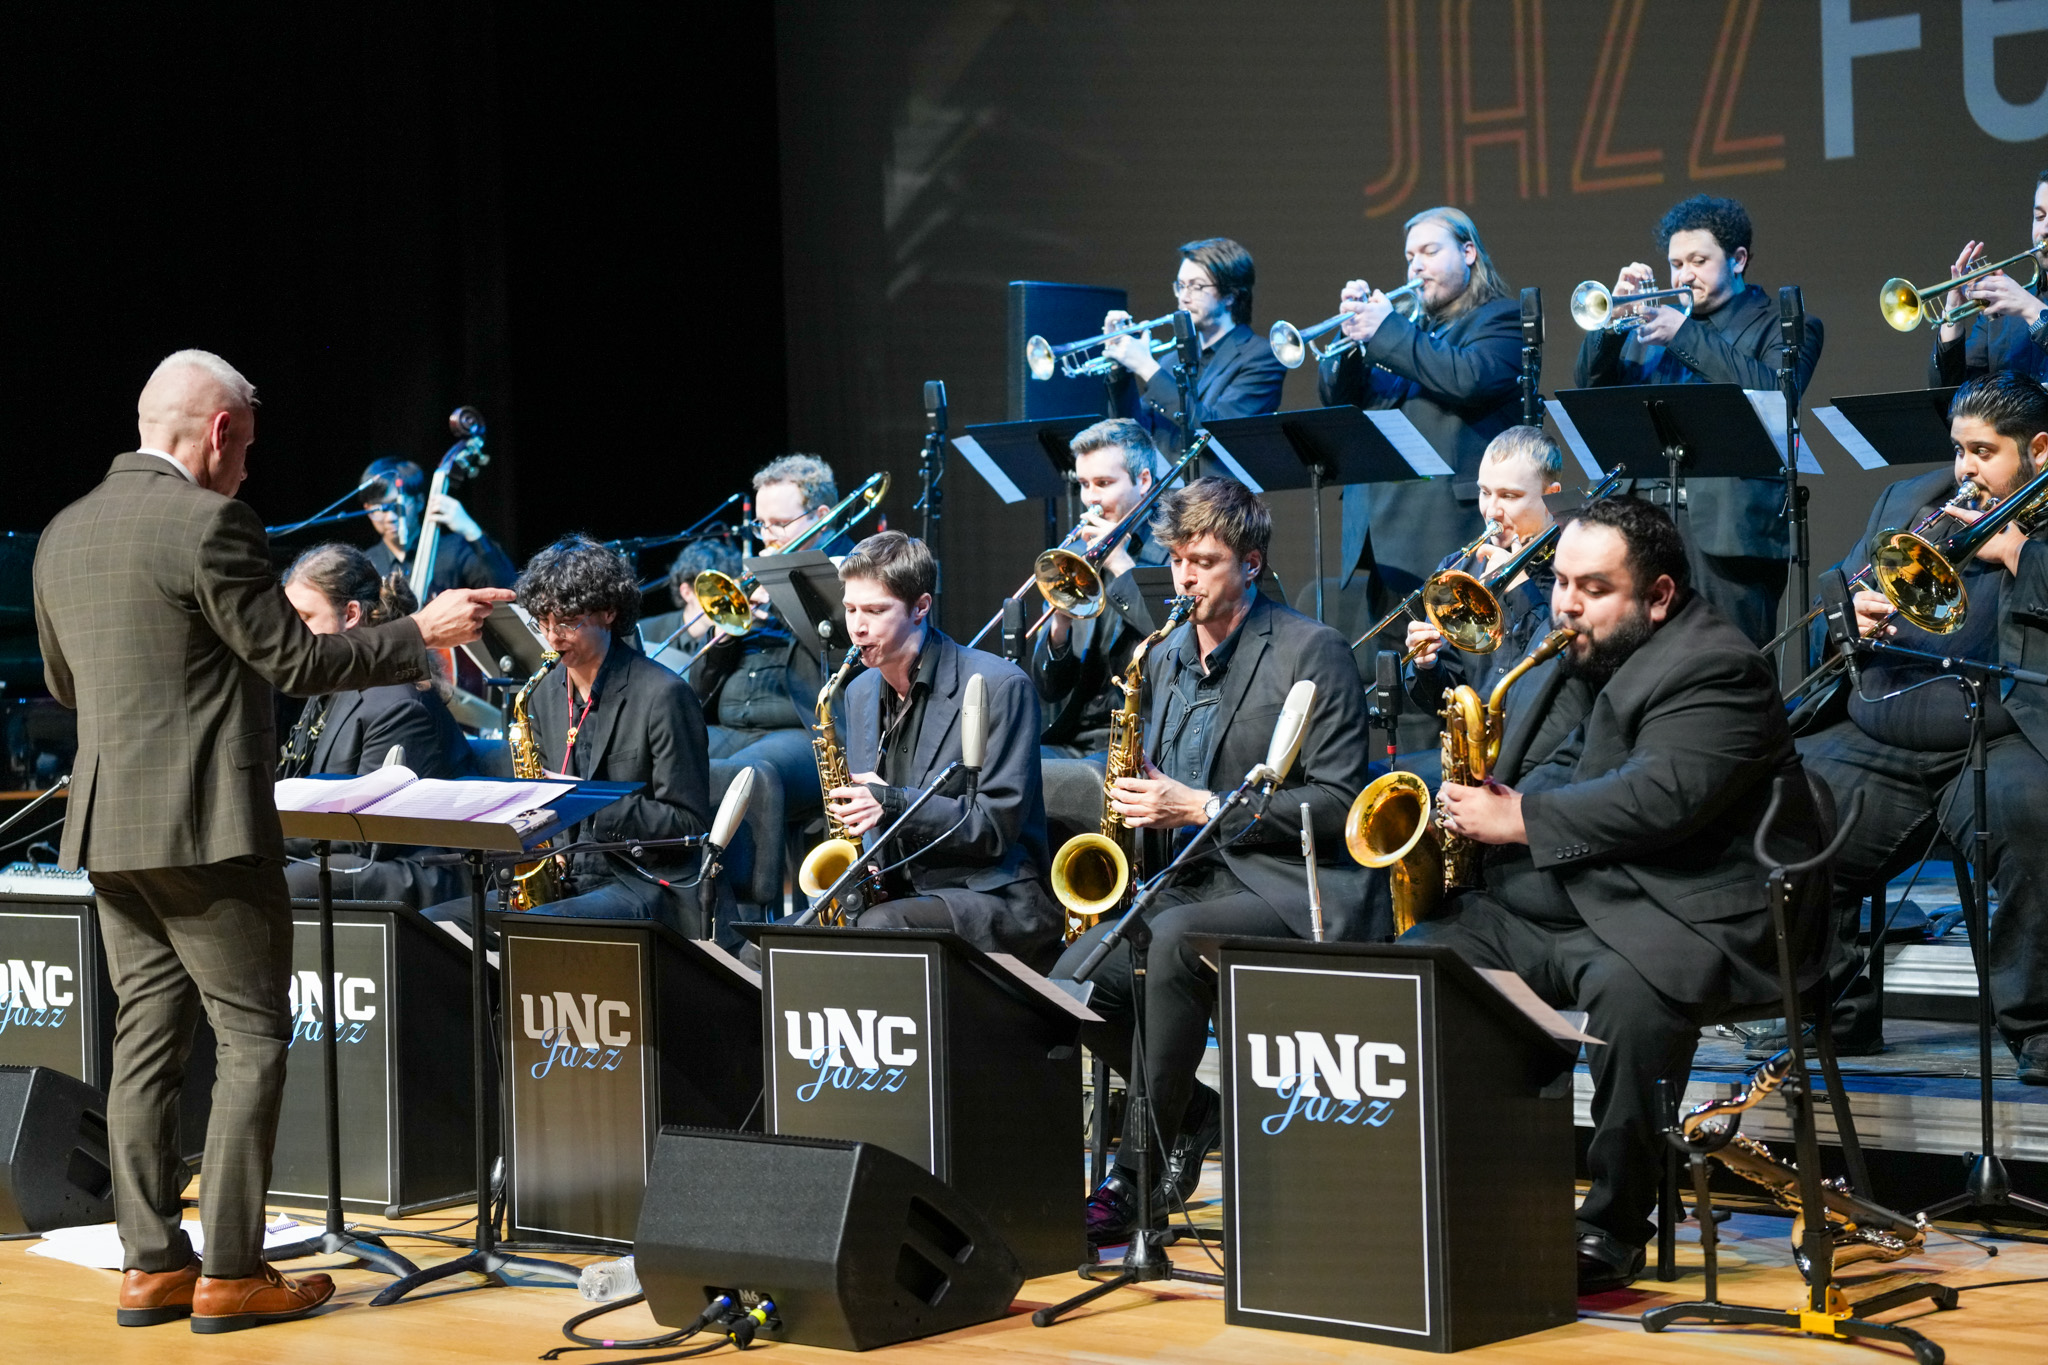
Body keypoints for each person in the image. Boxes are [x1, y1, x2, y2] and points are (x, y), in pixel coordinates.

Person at [32, 350, 508, 1331]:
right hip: (206, 828)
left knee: (145, 1042)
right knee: (250, 1038)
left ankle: (151, 1265)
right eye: (245, 447)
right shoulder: (213, 523)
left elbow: (66, 685)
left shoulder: (63, 532)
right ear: (219, 431)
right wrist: (420, 630)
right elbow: (294, 660)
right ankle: (233, 1271)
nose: (247, 469)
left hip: (111, 826)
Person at [1402, 496, 1822, 1293]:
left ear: (1657, 595)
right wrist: (1500, 795)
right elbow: (1565, 762)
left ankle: (1615, 1223)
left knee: (1635, 1000)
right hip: (1595, 891)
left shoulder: (1719, 666)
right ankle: (1467, 1189)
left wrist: (1521, 817)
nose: (1566, 603)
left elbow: (1659, 797)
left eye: (1592, 588)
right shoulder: (1590, 648)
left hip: (1686, 906)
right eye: (1561, 581)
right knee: (1432, 954)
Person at [1058, 478, 1376, 1248]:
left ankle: (1135, 1177)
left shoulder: (1311, 651)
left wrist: (1201, 806)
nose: (1185, 577)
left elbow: (1340, 804)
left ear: (1251, 563)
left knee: (1173, 943)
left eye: (1203, 562)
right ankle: (1194, 1111)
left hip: (1290, 884)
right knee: (1071, 979)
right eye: (1177, 560)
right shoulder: (1164, 654)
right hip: (1190, 878)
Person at [1791, 374, 2048, 1078]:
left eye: (1984, 452)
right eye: (1959, 449)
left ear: (2039, 450)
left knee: (2035, 819)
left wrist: (2017, 553)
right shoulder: (1910, 500)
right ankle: (1832, 1014)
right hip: (1883, 724)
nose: (1965, 468)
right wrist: (1850, 618)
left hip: (2004, 733)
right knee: (1791, 804)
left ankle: (2037, 1027)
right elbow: (1836, 597)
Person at [423, 535, 722, 935]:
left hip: (641, 880)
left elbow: (688, 823)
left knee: (532, 931)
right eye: (543, 622)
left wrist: (585, 802)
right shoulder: (543, 692)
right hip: (568, 876)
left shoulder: (664, 694)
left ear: (608, 612)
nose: (552, 636)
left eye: (566, 622)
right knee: (436, 924)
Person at [1573, 194, 1824, 649]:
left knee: (1728, 660)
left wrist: (1683, 334)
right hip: (1641, 525)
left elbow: (1775, 393)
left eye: (1698, 261)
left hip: (1726, 535)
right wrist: (1612, 325)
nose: (1684, 275)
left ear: (1738, 260)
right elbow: (1592, 390)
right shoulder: (1649, 328)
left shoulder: (1784, 325)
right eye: (1676, 263)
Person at [824, 531, 1060, 962]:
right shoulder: (859, 691)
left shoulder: (1000, 686)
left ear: (921, 607)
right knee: (763, 945)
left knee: (878, 931)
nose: (857, 627)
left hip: (987, 892)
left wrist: (894, 804)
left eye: (875, 610)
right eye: (851, 609)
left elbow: (993, 830)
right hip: (896, 892)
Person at [1319, 205, 1521, 639]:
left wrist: (1386, 330)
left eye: (1429, 251)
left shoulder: (1500, 319)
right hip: (1384, 540)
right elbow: (1341, 402)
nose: (1416, 265)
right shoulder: (1407, 331)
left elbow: (1467, 378)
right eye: (1410, 256)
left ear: (1468, 252)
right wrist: (1349, 335)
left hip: (1446, 534)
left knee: (1460, 664)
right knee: (1395, 671)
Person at [277, 543, 478, 909]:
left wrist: (268, 833)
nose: (293, 633)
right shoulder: (327, 687)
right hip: (354, 852)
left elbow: (367, 834)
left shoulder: (397, 702)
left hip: (414, 870)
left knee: (278, 884)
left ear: (351, 614)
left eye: (304, 617)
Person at [1399, 425, 1565, 787]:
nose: (1492, 510)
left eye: (1509, 495)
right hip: (1473, 754)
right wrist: (1428, 665)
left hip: (1545, 761)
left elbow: (1559, 672)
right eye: (1485, 492)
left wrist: (1519, 588)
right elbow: (1442, 701)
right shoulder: (1460, 567)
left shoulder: (1573, 572)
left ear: (1551, 496)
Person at [688, 455, 851, 823]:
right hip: (729, 726)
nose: (768, 536)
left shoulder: (850, 570)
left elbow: (845, 658)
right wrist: (723, 636)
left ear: (821, 516)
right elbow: (699, 688)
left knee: (739, 777)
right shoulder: (751, 577)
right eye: (761, 524)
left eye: (779, 523)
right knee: (664, 764)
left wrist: (784, 599)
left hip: (803, 731)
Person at [1033, 418, 1171, 842]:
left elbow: (1176, 646)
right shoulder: (1076, 553)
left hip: (1144, 739)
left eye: (1104, 483)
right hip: (1078, 736)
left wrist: (1120, 566)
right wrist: (1059, 624)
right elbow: (1049, 689)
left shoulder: (1172, 554)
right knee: (997, 767)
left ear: (1143, 481)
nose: (1091, 498)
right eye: (1084, 484)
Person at [1101, 237, 1285, 458]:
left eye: (1197, 287)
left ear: (1230, 295)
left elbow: (1218, 430)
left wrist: (1146, 367)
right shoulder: (1170, 361)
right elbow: (1132, 438)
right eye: (1180, 286)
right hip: (1166, 481)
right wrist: (1120, 369)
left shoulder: (1262, 356)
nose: (1184, 297)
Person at [1929, 171, 2048, 386]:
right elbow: (1948, 392)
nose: (2045, 229)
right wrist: (1952, 315)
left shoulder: (2021, 302)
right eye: (2039, 217)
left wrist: (2031, 309)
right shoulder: (2001, 310)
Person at [359, 455, 516, 598]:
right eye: (378, 508)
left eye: (398, 505)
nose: (390, 517)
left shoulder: (456, 550)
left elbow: (506, 588)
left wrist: (472, 531)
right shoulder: (366, 565)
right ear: (367, 509)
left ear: (419, 502)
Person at [639, 535, 741, 673]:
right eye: (714, 592)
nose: (725, 601)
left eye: (730, 592)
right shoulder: (645, 632)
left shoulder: (740, 643)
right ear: (687, 592)